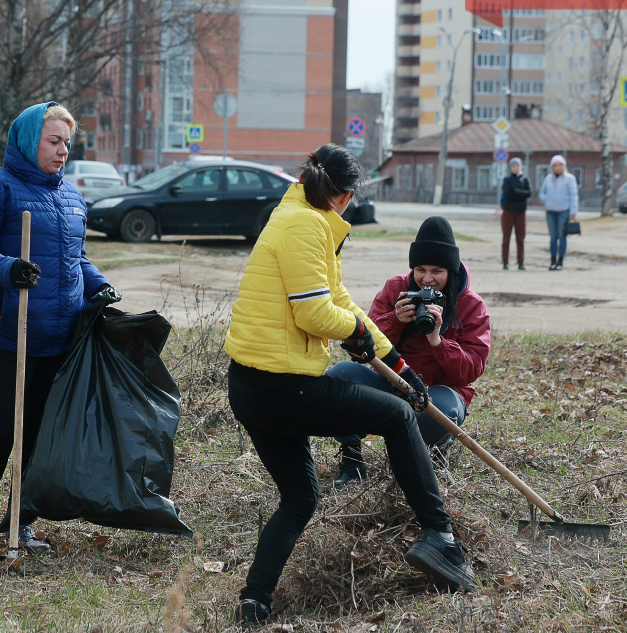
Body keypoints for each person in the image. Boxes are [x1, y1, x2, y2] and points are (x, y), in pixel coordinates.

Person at [222, 144, 476, 628]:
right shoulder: (307, 224)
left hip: (256, 386)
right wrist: (357, 335)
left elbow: (339, 300)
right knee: (398, 415)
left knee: (300, 497)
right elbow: (314, 313)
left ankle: (254, 602)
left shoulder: (298, 216)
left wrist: (398, 364)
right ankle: (439, 535)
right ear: (348, 196)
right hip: (280, 386)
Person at [0, 102, 119, 561]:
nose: (63, 151)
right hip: (8, 333)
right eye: (53, 141)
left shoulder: (70, 197)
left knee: (41, 436)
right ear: (27, 141)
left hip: (57, 338)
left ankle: (19, 523)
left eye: (67, 143)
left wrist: (99, 284)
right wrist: (8, 268)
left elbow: (74, 260)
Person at [329, 216, 491, 487]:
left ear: (451, 270)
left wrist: (437, 341)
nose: (427, 279)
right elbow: (362, 346)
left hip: (440, 389)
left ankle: (435, 455)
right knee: (338, 378)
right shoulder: (396, 289)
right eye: (420, 269)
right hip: (392, 379)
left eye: (437, 271)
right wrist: (395, 321)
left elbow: (472, 369)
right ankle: (351, 459)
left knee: (440, 411)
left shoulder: (471, 305)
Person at [538, 154, 578, 270]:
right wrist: (546, 200)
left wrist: (573, 212)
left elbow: (573, 196)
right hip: (550, 211)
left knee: (562, 236)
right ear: (552, 167)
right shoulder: (548, 179)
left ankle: (560, 261)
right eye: (555, 165)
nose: (558, 167)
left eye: (560, 165)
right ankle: (552, 260)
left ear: (564, 166)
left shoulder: (570, 179)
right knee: (553, 237)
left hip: (563, 211)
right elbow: (542, 193)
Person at [500, 158, 531, 270]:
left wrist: (517, 191)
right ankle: (505, 262)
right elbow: (508, 194)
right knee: (506, 238)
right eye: (513, 166)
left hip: (521, 213)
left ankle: (521, 262)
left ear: (521, 167)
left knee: (520, 239)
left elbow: (528, 193)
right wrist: (519, 194)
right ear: (511, 168)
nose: (516, 168)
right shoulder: (507, 180)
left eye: (518, 166)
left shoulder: (525, 180)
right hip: (508, 212)